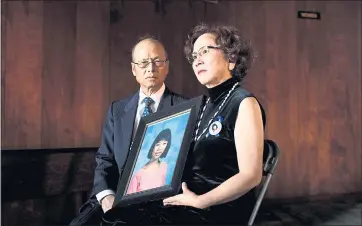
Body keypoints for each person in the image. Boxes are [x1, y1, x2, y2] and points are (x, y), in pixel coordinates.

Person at [101, 23, 266, 225]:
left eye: (205, 51)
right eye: (194, 56)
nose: (197, 61)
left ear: (231, 58)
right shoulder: (202, 106)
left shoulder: (244, 102)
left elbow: (251, 175)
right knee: (116, 217)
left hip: (218, 208)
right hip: (188, 201)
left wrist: (201, 201)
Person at [69, 36, 188, 226]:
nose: (151, 68)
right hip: (116, 197)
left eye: (157, 61)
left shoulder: (184, 108)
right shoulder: (117, 110)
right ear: (134, 69)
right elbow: (104, 160)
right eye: (143, 63)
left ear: (167, 66)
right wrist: (106, 195)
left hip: (161, 203)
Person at [126, 128, 171, 194]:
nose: (160, 148)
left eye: (164, 143)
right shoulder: (138, 174)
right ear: (152, 145)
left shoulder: (164, 166)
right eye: (157, 144)